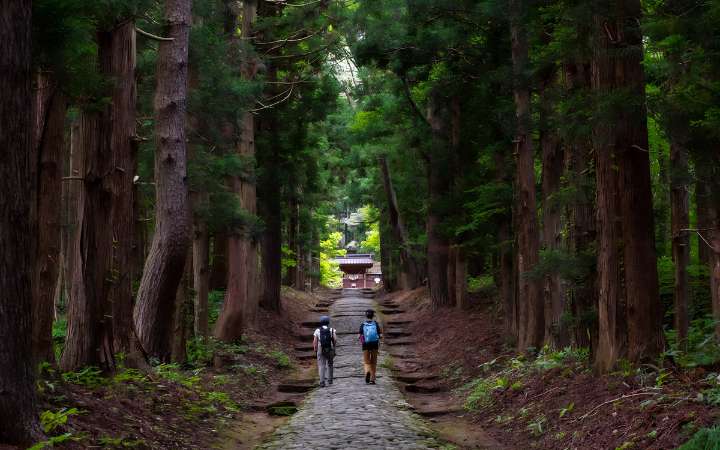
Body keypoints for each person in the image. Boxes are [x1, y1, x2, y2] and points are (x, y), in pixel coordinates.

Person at [359, 309, 382, 384]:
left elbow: (360, 336)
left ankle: (367, 372)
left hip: (366, 345)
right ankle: (372, 379)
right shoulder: (376, 324)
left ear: (366, 316)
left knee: (366, 361)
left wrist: (363, 342)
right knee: (374, 362)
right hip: (375, 344)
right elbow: (380, 335)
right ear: (373, 316)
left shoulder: (363, 325)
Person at [313, 315, 336, 387]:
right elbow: (335, 339)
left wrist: (315, 349)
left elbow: (315, 341)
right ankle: (330, 380)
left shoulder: (317, 330)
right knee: (330, 364)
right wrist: (333, 346)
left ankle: (322, 381)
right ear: (328, 322)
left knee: (321, 365)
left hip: (321, 348)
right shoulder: (332, 330)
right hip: (330, 347)